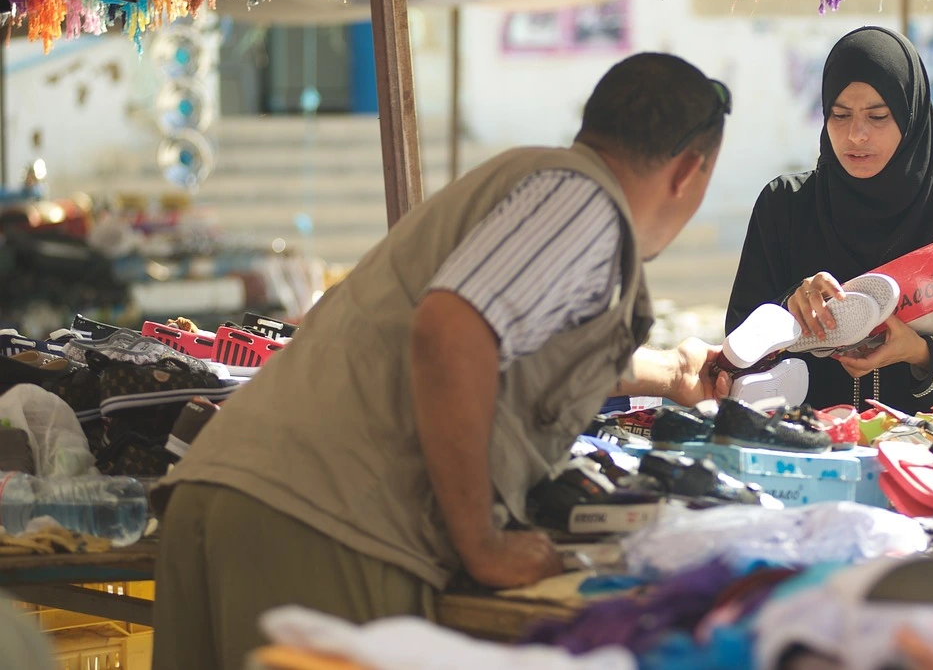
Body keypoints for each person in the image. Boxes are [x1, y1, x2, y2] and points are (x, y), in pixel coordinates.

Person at [151, 53, 736, 670]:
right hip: (329, 523)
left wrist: (670, 374)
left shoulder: (543, 186)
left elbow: (517, 347)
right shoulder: (585, 206)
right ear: (689, 172)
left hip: (231, 490)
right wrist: (482, 544)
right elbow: (451, 332)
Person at [727, 26, 933, 415]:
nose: (856, 134)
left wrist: (921, 354)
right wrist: (790, 308)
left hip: (925, 459)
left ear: (911, 116)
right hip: (809, 451)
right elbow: (737, 347)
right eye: (840, 115)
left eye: (878, 116)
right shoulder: (784, 208)